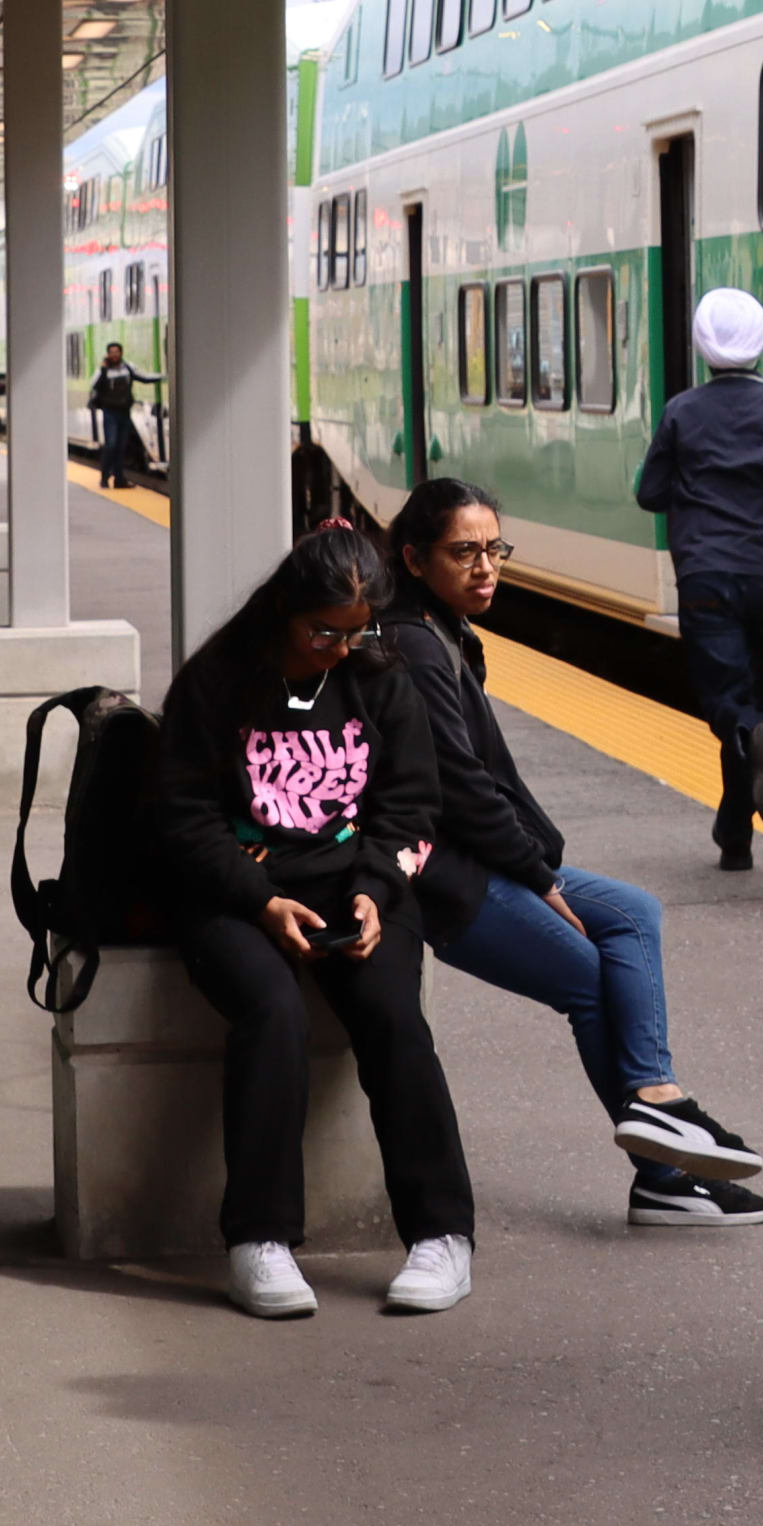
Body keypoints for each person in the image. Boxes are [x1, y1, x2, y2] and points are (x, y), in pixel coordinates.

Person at [380, 476, 763, 1228]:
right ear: (413, 558)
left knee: (634, 913)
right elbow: (460, 788)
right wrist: (539, 876)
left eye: (493, 549)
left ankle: (658, 1109)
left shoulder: (444, 632)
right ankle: (664, 1167)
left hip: (487, 858)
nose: (485, 567)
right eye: (462, 552)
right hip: (446, 878)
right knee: (590, 974)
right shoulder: (413, 647)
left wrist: (537, 864)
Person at [149, 522, 478, 1320]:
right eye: (322, 631)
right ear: (283, 612)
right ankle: (259, 1240)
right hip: (238, 893)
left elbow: (410, 807)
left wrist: (376, 891)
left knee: (394, 1015)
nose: (339, 647)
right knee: (271, 1009)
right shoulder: (220, 680)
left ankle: (442, 1235)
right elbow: (180, 817)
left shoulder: (377, 675)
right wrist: (259, 901)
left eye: (356, 631)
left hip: (354, 889)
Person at [635, 288, 763, 870]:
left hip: (706, 574)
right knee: (756, 690)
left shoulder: (681, 411)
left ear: (702, 346)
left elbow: (649, 492)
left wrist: (693, 492)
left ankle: (758, 733)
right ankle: (735, 838)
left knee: (729, 703)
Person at [89, 340, 145, 489]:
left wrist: (165, 376)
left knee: (121, 447)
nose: (114, 355)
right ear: (108, 354)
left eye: (117, 352)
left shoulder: (127, 368)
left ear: (121, 353)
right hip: (110, 413)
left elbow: (143, 377)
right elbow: (93, 385)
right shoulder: (102, 370)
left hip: (124, 412)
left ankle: (119, 480)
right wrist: (103, 370)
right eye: (111, 352)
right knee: (111, 445)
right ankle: (104, 478)